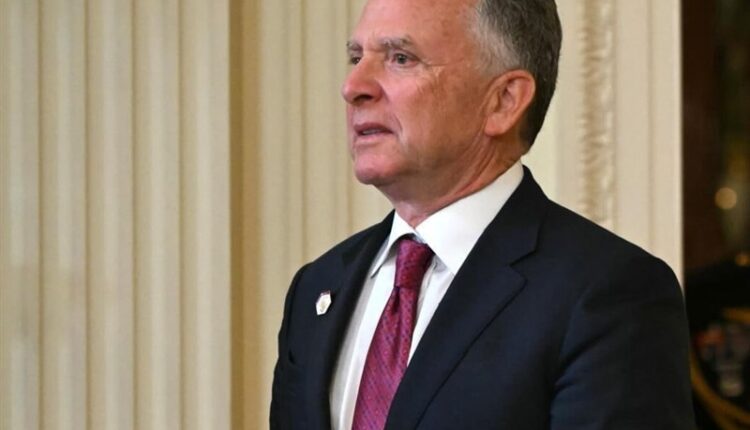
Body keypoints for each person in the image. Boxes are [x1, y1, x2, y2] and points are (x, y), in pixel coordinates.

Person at [270, 0, 695, 428]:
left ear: (503, 101)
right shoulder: (318, 287)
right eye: (356, 57)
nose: (354, 86)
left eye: (400, 58)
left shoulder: (609, 294)